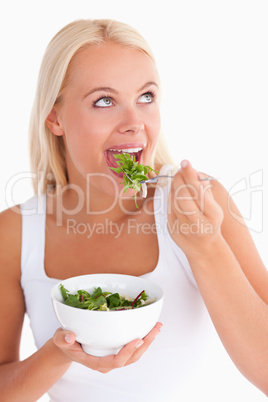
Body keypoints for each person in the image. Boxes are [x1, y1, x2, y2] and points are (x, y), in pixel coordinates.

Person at [0, 18, 267, 401]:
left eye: (146, 97)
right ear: (55, 118)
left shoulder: (200, 204)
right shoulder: (14, 233)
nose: (134, 123)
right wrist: (58, 354)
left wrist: (207, 249)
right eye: (104, 101)